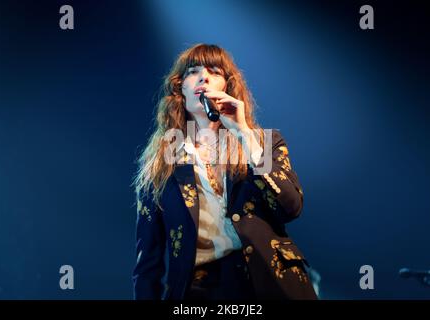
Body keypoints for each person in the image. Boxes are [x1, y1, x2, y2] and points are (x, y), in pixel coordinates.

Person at [132, 43, 317, 300]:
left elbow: (291, 206)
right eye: (193, 71)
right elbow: (148, 260)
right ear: (180, 89)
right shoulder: (160, 164)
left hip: (270, 282)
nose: (204, 77)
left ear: (228, 87)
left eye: (214, 71)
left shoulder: (264, 142)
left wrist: (243, 134)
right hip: (200, 289)